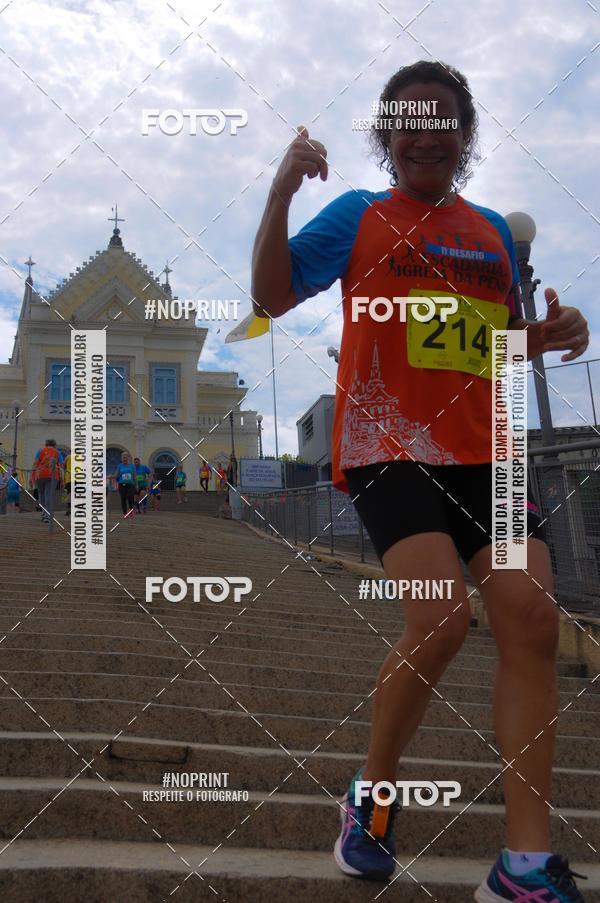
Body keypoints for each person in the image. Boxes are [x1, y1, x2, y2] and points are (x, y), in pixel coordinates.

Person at [251, 60, 590, 902]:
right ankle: (372, 798)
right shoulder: (358, 216)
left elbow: (496, 345)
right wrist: (280, 192)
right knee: (439, 618)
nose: (425, 131)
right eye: (407, 118)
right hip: (389, 446)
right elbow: (269, 292)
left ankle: (523, 864)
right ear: (386, 136)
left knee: (534, 619)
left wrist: (548, 334)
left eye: (443, 118)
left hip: (489, 456)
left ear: (465, 137)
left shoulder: (489, 236)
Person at [32, 439, 63, 524]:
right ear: (54, 445)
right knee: (48, 495)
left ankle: (44, 514)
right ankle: (47, 516)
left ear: (46, 444)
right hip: (52, 475)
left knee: (42, 494)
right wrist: (62, 479)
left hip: (40, 474)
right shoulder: (57, 452)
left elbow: (35, 463)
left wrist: (32, 477)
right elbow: (61, 465)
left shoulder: (40, 451)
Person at [111, 452, 137, 519]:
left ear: (128, 458)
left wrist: (136, 484)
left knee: (130, 496)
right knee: (123, 498)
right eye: (123, 457)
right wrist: (110, 477)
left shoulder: (132, 466)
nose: (124, 458)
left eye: (126, 457)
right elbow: (116, 474)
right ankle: (125, 513)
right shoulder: (120, 466)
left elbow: (134, 475)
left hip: (130, 484)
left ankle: (131, 510)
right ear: (121, 458)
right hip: (122, 484)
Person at [63, 452, 72, 517]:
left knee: (68, 493)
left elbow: (64, 467)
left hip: (69, 478)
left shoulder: (68, 457)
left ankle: (68, 509)